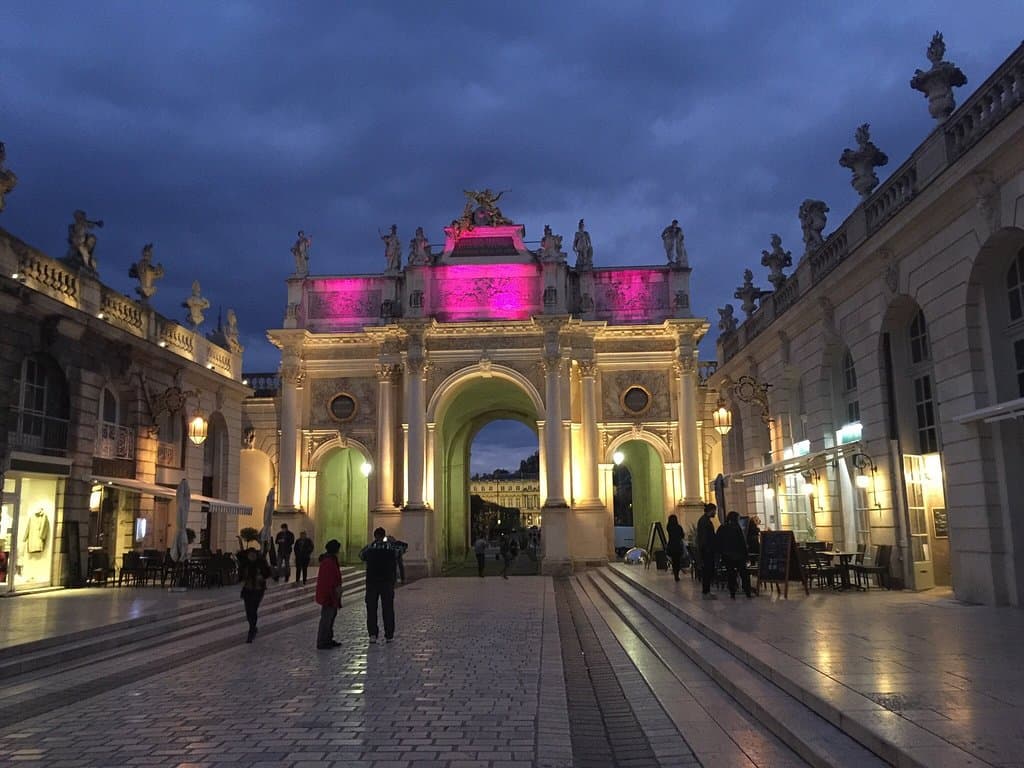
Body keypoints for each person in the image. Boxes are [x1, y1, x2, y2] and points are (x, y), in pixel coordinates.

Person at [360, 527, 398, 643]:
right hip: (387, 581)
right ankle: (389, 635)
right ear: (384, 535)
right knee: (388, 608)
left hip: (372, 582)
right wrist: (393, 542)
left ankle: (373, 634)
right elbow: (402, 551)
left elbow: (361, 556)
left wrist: (373, 543)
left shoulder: (369, 548)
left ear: (375, 536)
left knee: (371, 609)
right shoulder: (390, 548)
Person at [237, 547, 272, 643]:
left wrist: (262, 576)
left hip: (258, 590)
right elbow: (241, 575)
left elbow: (267, 573)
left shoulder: (261, 564)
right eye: (250, 555)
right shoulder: (245, 564)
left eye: (253, 555)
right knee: (249, 611)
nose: (251, 557)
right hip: (247, 590)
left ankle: (252, 629)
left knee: (253, 609)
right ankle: (252, 626)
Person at [716, 511, 752, 598]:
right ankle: (747, 591)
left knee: (730, 574)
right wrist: (746, 555)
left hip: (727, 555)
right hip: (738, 555)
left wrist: (720, 553)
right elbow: (742, 542)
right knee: (744, 573)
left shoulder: (722, 528)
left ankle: (732, 592)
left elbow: (718, 541)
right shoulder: (737, 528)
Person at [315, 539, 343, 649]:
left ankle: (328, 638)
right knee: (326, 618)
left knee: (331, 618)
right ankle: (322, 641)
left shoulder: (331, 560)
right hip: (328, 594)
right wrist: (332, 593)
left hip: (332, 594)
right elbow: (328, 580)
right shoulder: (328, 562)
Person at [697, 502, 718, 600]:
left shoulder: (703, 520)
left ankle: (706, 591)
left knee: (707, 571)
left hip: (705, 550)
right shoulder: (705, 522)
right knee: (707, 571)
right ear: (711, 510)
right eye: (715, 511)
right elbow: (705, 537)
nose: (715, 513)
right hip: (707, 550)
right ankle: (706, 591)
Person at [665, 513, 686, 582]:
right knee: (678, 560)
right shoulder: (679, 527)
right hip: (678, 546)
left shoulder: (668, 527)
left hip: (671, 545)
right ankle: (677, 574)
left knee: (674, 561)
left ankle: (675, 574)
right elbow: (682, 535)